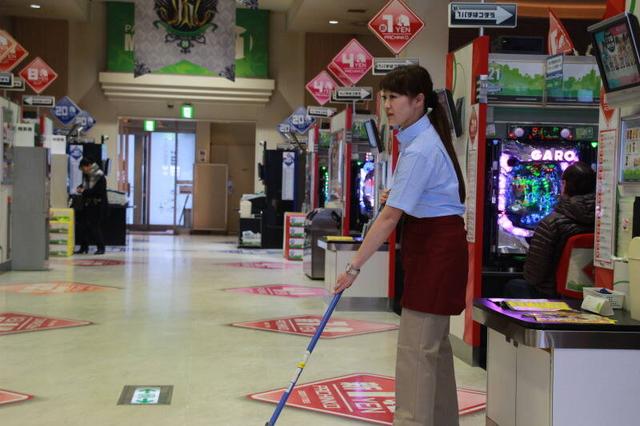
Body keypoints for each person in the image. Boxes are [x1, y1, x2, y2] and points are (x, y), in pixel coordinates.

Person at [334, 65, 468, 426]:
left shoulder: (420, 148)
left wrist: (353, 266)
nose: (387, 105)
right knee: (434, 352)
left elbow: (389, 218)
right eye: (385, 97)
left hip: (436, 254)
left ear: (419, 100)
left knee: (415, 352)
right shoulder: (421, 142)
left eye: (394, 97)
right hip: (435, 250)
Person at [504, 161, 596, 298]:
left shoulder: (551, 223)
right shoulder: (604, 222)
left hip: (553, 294)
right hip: (593, 296)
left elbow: (533, 276)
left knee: (512, 285)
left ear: (564, 185)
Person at [74, 158, 107, 255]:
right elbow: (86, 185)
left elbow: (98, 191)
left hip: (97, 205)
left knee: (94, 227)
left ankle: (101, 247)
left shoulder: (99, 176)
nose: (83, 171)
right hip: (88, 204)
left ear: (88, 165)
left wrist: (84, 191)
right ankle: (84, 247)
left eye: (83, 168)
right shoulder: (88, 175)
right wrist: (80, 187)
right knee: (83, 226)